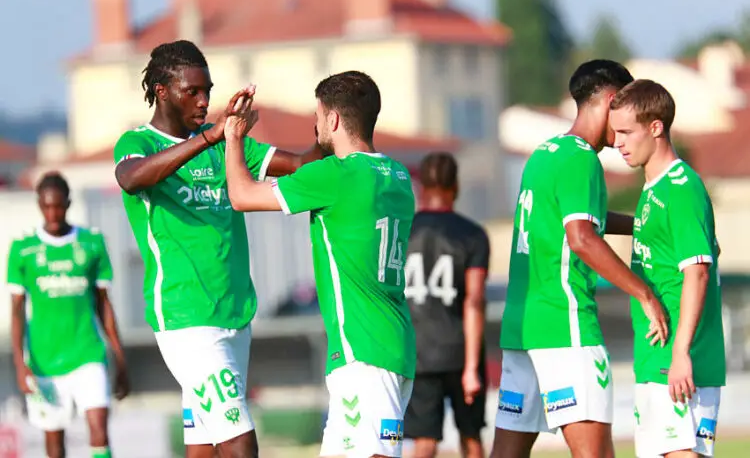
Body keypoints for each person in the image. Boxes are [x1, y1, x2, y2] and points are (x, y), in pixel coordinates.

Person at [113, 39, 324, 458]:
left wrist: (336, 130)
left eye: (207, 89)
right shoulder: (140, 143)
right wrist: (211, 136)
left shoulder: (230, 145)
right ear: (161, 90)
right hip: (186, 317)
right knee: (240, 443)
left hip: (234, 312)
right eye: (192, 90)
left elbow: (301, 166)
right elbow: (132, 178)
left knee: (205, 448)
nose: (204, 99)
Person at [223, 70, 416, 458]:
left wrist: (232, 136)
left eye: (317, 115)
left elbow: (242, 195)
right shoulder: (397, 174)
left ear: (333, 120)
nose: (314, 124)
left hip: (365, 350)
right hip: (380, 345)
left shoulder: (336, 175)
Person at [490, 59, 670, 458]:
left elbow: (585, 222)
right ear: (609, 100)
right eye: (624, 110)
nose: (626, 123)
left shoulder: (544, 154)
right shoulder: (582, 159)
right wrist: (644, 294)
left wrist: (643, 224)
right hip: (566, 326)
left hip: (522, 329)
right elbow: (583, 238)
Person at [609, 79, 725, 458]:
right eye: (615, 132)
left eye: (626, 132)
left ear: (656, 127)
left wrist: (680, 353)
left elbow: (699, 271)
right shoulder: (653, 189)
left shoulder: (681, 187)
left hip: (675, 359)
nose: (618, 142)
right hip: (657, 356)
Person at [7, 171, 129, 458]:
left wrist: (120, 358)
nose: (53, 213)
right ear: (39, 204)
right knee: (54, 445)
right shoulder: (22, 249)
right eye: (47, 206)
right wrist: (19, 363)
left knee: (99, 429)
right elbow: (16, 312)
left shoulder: (91, 243)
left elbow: (104, 304)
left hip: (87, 352)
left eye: (59, 206)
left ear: (69, 203)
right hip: (45, 360)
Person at [402, 152, 491, 458]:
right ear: (456, 185)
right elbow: (475, 300)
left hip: (418, 353)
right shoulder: (472, 235)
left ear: (421, 187)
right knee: (471, 437)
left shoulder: (403, 232)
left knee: (424, 442)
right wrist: (470, 368)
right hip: (459, 349)